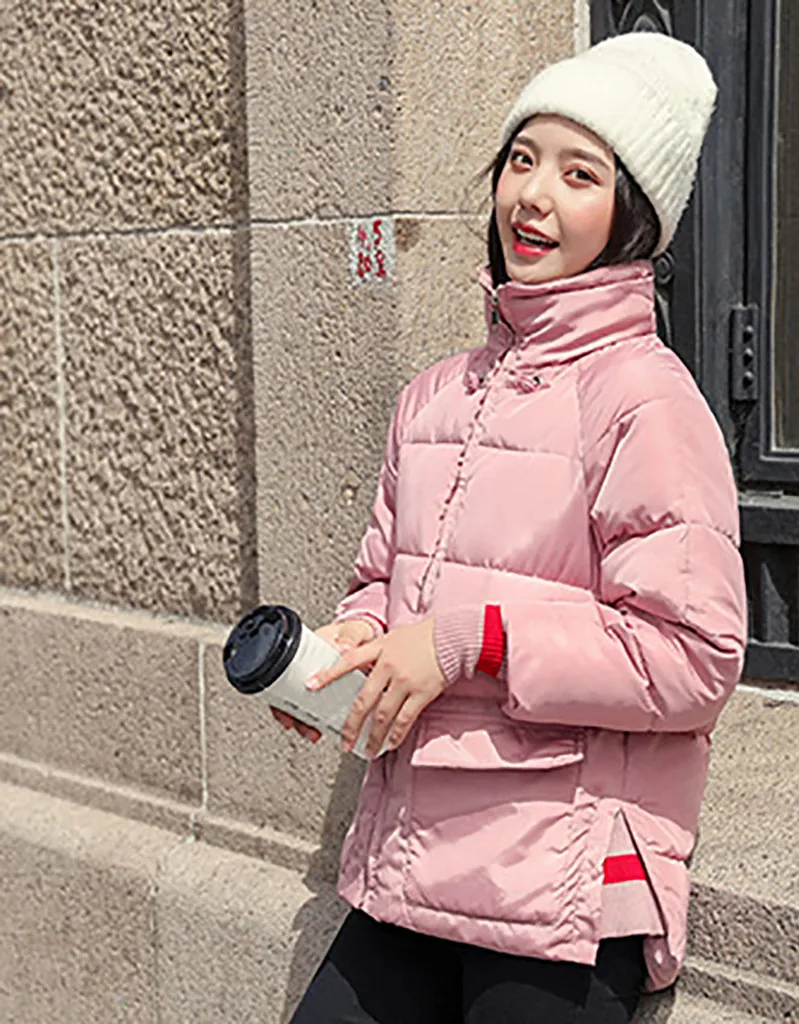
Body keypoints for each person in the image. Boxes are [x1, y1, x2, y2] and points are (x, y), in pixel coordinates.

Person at [274, 31, 748, 1024]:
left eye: (580, 174)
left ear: (632, 217)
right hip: (409, 863)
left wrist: (471, 642)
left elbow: (694, 655)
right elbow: (382, 582)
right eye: (521, 160)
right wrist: (347, 651)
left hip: (562, 892)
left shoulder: (646, 402)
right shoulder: (433, 396)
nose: (533, 196)